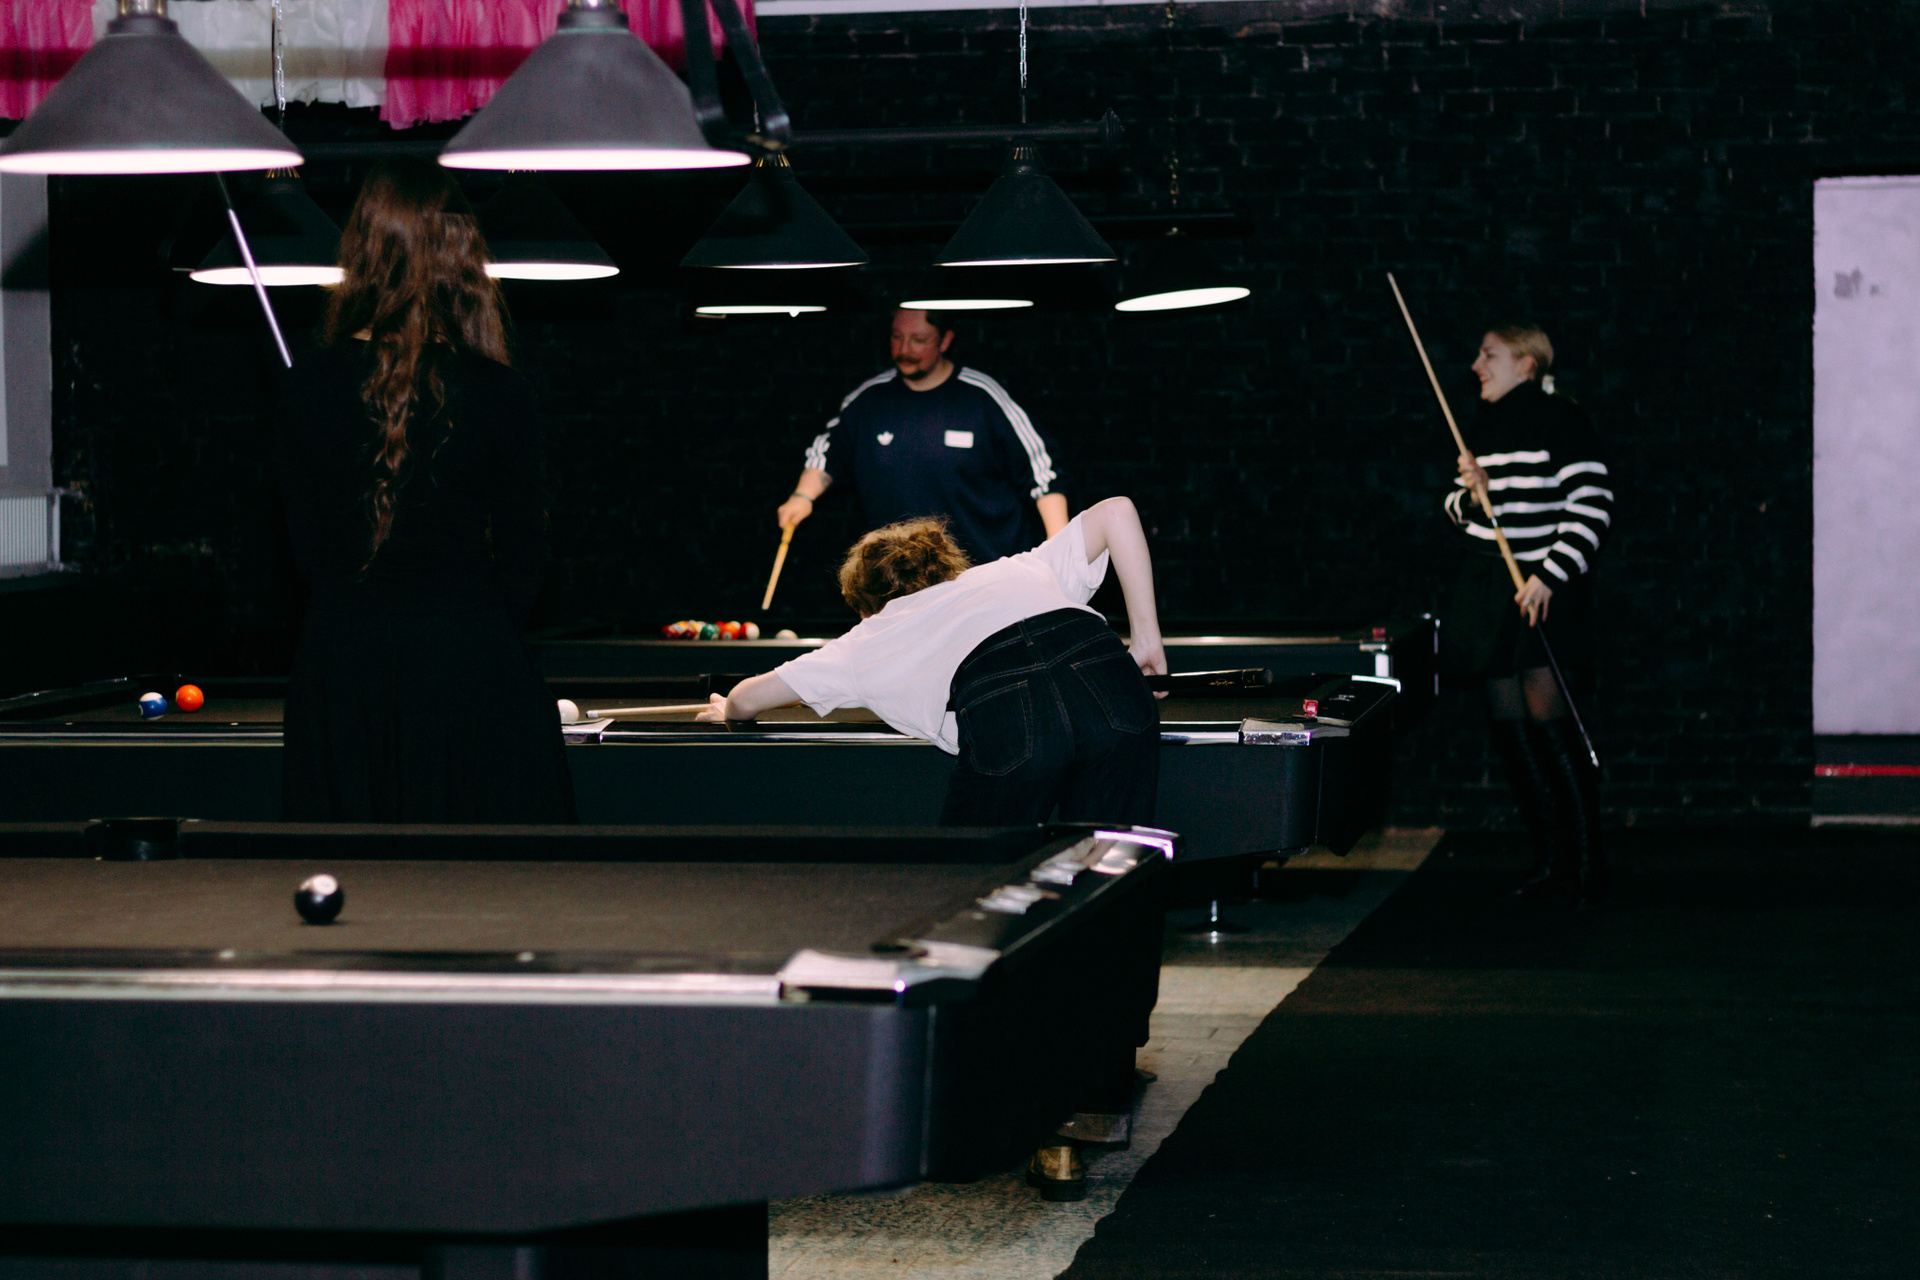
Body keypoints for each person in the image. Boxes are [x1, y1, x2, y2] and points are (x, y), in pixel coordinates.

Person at [275, 157, 573, 823]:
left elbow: (306, 553)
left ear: (360, 250)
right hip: (468, 660)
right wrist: (466, 633)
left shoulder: (304, 385)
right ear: (460, 256)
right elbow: (525, 559)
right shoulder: (500, 391)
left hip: (343, 667)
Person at [703, 497, 1166, 828]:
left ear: (866, 603)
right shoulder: (1014, 568)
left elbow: (747, 699)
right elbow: (1117, 511)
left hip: (1007, 706)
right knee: (1112, 871)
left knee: (969, 881)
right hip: (1106, 673)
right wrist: (1146, 642)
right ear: (947, 565)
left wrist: (729, 709)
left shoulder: (870, 636)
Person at [1444, 323, 1612, 906]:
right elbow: (1459, 510)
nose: (1476, 365)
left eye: (1488, 354)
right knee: (1512, 731)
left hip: (1541, 591)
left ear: (1526, 363)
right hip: (1491, 595)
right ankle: (1551, 860)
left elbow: (1593, 506)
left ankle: (1586, 866)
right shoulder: (1485, 425)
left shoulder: (1560, 420)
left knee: (1551, 728)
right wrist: (1473, 493)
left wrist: (1549, 576)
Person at [775, 308, 1070, 564]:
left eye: (918, 340)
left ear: (945, 340)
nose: (904, 349)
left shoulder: (981, 395)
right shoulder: (868, 400)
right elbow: (826, 453)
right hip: (903, 580)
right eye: (896, 337)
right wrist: (802, 496)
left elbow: (1043, 471)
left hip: (986, 573)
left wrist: (1059, 548)